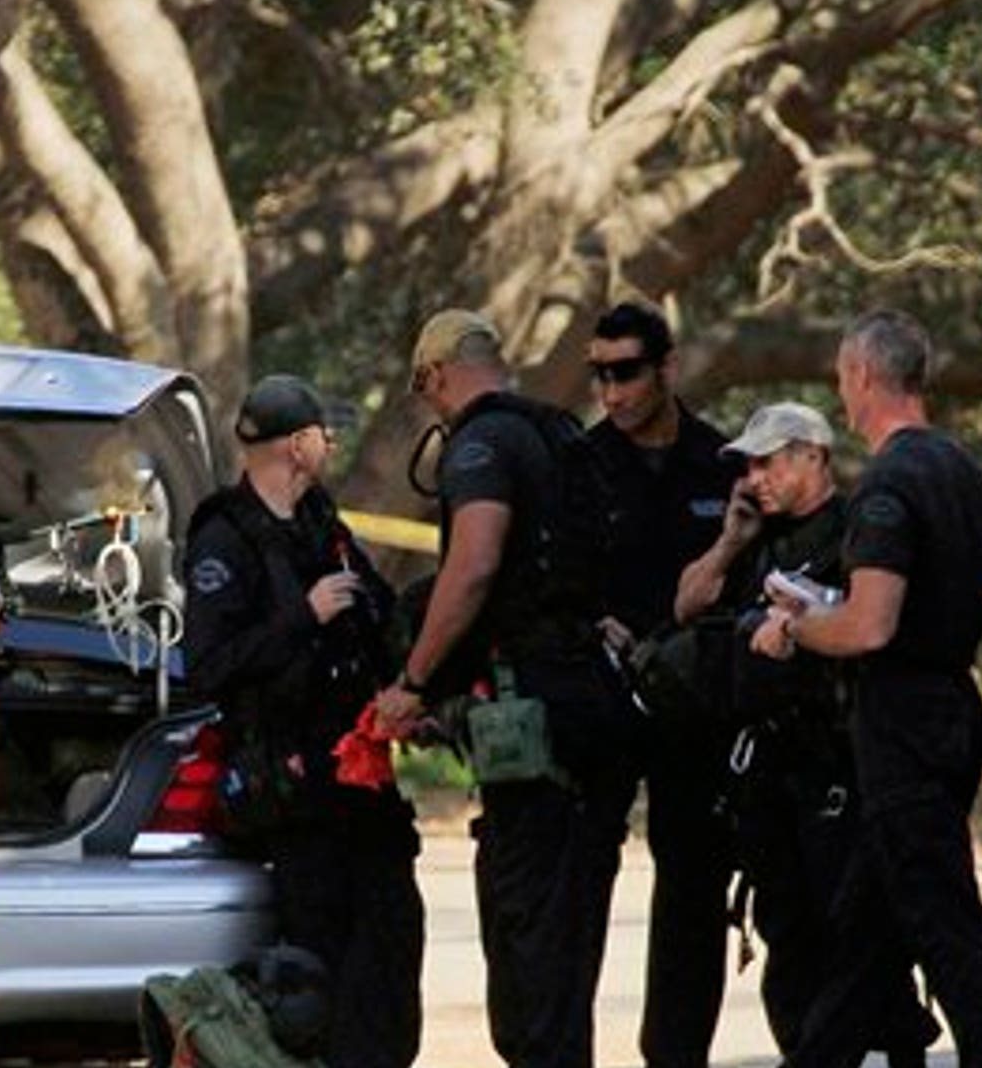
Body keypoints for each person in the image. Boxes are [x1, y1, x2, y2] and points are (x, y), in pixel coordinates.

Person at [752, 311, 982, 1068]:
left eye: (842, 378)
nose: (841, 396)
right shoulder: (956, 469)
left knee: (948, 926)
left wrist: (794, 627)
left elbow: (869, 628)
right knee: (865, 931)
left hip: (905, 725)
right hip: (948, 711)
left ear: (864, 377)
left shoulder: (889, 483)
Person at [376, 310, 638, 1068]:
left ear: (435, 374)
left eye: (425, 392)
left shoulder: (481, 444)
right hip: (594, 707)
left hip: (535, 723)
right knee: (569, 944)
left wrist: (415, 681)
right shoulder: (561, 434)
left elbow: (475, 566)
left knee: (527, 946)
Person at [674, 402, 938, 1068]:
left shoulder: (857, 528)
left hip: (837, 760)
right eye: (749, 466)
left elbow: (873, 622)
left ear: (812, 456)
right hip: (767, 765)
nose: (755, 477)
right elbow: (687, 604)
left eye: (767, 462)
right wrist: (731, 539)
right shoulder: (756, 539)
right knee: (786, 929)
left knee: (852, 925)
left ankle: (892, 1046)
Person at [182, 375, 423, 1068]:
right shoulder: (224, 537)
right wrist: (301, 617)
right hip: (292, 792)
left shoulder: (322, 522)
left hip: (361, 781)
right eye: (324, 432)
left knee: (393, 940)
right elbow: (209, 665)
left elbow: (377, 615)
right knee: (315, 971)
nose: (332, 443)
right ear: (297, 444)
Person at [584, 300, 741, 1068]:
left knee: (693, 883)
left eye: (626, 372)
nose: (611, 391)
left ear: (666, 369)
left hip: (693, 702)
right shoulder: (579, 465)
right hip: (604, 698)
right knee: (580, 877)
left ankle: (675, 1055)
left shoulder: (721, 462)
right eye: (599, 375)